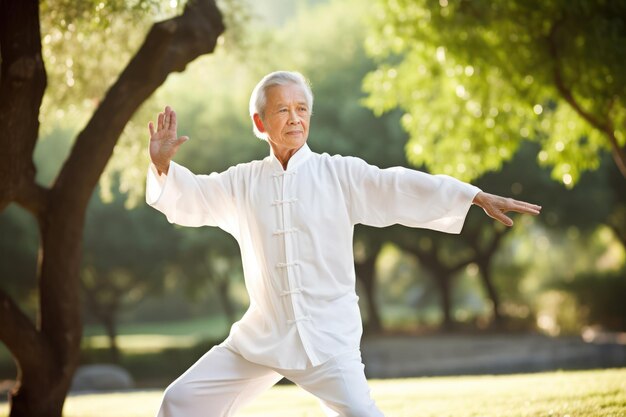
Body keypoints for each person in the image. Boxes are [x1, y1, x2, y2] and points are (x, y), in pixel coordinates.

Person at [146, 70, 541, 417]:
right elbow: (194, 196)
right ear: (259, 121)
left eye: (302, 108)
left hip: (327, 340)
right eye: (283, 109)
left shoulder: (337, 174)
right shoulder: (241, 182)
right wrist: (162, 165)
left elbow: (397, 185)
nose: (295, 117)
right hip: (262, 338)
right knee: (181, 401)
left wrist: (470, 196)